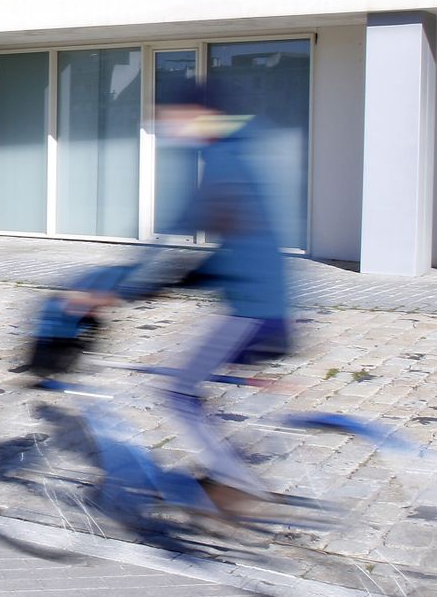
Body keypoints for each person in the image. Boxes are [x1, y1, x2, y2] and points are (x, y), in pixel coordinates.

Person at [75, 90, 294, 518]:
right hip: (262, 302)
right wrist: (160, 285)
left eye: (173, 117)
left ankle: (238, 482)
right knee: (199, 380)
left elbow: (173, 231)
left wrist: (113, 288)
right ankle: (225, 469)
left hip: (254, 308)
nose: (169, 128)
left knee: (176, 391)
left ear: (201, 114)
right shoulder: (234, 156)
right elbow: (227, 249)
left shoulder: (223, 164)